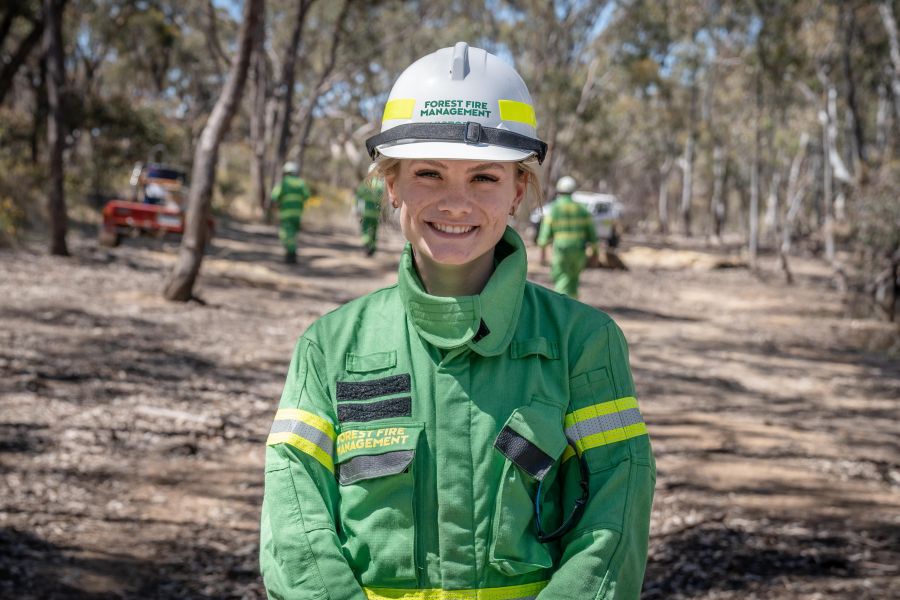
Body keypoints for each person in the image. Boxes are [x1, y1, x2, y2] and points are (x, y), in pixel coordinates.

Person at [260, 42, 655, 600]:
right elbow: (295, 522)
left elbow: (615, 514)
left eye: (484, 179)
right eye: (428, 173)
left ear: (519, 190)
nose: (455, 203)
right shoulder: (329, 347)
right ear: (391, 184)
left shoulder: (583, 343)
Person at [537, 175, 599, 299]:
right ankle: (573, 305)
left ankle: (562, 307)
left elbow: (544, 235)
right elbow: (592, 235)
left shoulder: (554, 209)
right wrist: (595, 253)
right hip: (579, 251)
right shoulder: (582, 209)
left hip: (561, 250)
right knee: (573, 280)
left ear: (559, 191)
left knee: (561, 278)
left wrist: (542, 252)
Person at [271, 161, 311, 263]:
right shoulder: (301, 183)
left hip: (286, 214)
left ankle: (291, 254)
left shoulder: (284, 183)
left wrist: (276, 206)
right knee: (293, 234)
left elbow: (274, 196)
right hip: (297, 214)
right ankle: (291, 253)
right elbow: (307, 196)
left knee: (285, 234)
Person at [356, 163, 384, 256]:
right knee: (374, 230)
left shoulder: (365, 183)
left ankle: (366, 246)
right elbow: (383, 200)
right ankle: (372, 247)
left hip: (366, 213)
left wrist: (356, 209)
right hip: (376, 214)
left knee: (366, 229)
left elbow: (358, 196)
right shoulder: (381, 185)